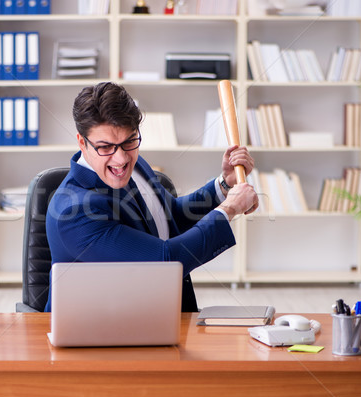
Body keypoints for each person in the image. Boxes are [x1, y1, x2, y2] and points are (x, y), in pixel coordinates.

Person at [45, 82, 258, 312]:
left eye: (128, 141)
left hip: (154, 315)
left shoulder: (135, 164)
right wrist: (229, 209)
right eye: (105, 147)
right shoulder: (73, 213)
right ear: (81, 143)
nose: (121, 159)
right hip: (96, 333)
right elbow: (163, 263)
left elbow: (172, 216)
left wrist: (225, 185)